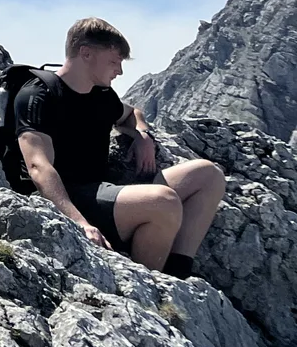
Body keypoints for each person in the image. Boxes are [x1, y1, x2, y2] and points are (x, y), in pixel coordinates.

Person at [15, 18, 226, 275]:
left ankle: (177, 272)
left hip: (104, 192)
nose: (120, 71)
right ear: (86, 53)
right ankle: (153, 284)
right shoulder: (38, 95)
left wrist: (143, 136)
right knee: (164, 201)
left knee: (208, 174)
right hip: (66, 200)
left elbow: (131, 113)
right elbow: (39, 167)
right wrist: (79, 223)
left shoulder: (102, 96)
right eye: (114, 62)